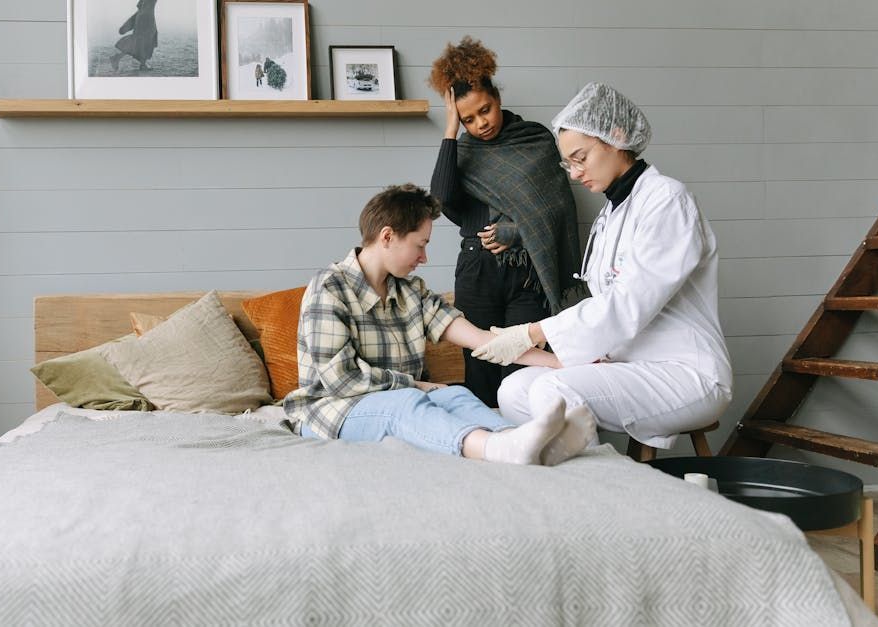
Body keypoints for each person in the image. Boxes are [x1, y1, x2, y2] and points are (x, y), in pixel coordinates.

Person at [472, 82, 734, 453]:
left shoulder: (666, 200)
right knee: (513, 390)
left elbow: (629, 304)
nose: (575, 173)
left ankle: (598, 491)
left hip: (686, 372)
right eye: (569, 164)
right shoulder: (610, 214)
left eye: (581, 158)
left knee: (552, 389)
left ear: (616, 136)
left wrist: (532, 333)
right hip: (628, 364)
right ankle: (559, 483)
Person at [284, 184, 595, 466]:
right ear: (388, 236)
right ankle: (495, 447)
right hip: (331, 412)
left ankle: (533, 444)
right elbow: (342, 381)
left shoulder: (410, 291)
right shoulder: (330, 288)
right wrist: (415, 384)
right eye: (420, 245)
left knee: (455, 396)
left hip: (401, 397)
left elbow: (484, 341)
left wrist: (561, 362)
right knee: (407, 401)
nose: (425, 257)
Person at [427, 37, 582, 407]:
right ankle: (485, 454)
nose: (481, 123)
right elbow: (443, 197)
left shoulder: (535, 140)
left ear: (497, 97)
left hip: (528, 273)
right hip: (477, 270)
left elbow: (555, 211)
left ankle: (521, 454)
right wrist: (450, 130)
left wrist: (515, 233)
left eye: (486, 110)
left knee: (523, 373)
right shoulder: (462, 150)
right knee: (479, 367)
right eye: (468, 118)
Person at [110, 0, 158, 73]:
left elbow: (140, 5)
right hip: (146, 17)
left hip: (143, 15)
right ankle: (117, 58)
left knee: (141, 40)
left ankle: (118, 58)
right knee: (145, 40)